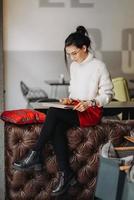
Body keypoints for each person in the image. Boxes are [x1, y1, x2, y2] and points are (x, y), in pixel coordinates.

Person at [13, 26, 114, 196]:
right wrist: (69, 99)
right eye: (69, 55)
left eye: (74, 53)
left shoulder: (99, 66)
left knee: (52, 112)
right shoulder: (74, 67)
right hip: (75, 107)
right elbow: (74, 90)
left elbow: (108, 95)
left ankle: (35, 153)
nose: (72, 58)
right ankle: (66, 173)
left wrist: (90, 102)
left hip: (91, 110)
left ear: (84, 48)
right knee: (57, 126)